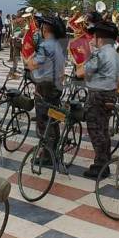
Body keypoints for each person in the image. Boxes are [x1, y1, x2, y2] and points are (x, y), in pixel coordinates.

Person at [77, 21, 119, 179]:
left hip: (98, 95)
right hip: (110, 93)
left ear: (100, 38)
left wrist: (82, 57)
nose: (92, 39)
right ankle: (105, 162)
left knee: (96, 131)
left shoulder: (100, 54)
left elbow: (81, 73)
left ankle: (100, 165)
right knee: (103, 130)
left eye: (94, 36)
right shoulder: (115, 54)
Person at [25, 15, 67, 161]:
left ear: (45, 28)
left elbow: (33, 65)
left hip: (45, 87)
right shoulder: (59, 45)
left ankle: (47, 156)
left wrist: (28, 57)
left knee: (43, 121)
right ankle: (54, 151)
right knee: (53, 118)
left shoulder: (45, 46)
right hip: (56, 85)